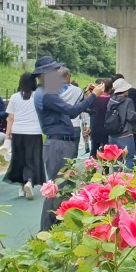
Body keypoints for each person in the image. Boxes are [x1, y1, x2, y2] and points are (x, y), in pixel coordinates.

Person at [33, 56, 97, 231]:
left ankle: (54, 226)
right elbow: (72, 111)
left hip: (59, 144)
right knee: (56, 188)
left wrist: (86, 96)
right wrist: (93, 96)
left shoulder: (46, 93)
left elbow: (70, 111)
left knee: (61, 187)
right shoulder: (46, 95)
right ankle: (46, 230)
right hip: (58, 144)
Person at [5, 72, 45, 200]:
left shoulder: (14, 97)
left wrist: (7, 135)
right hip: (34, 132)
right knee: (32, 158)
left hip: (17, 132)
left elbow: (10, 118)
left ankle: (21, 187)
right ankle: (29, 181)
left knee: (19, 158)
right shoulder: (37, 96)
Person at [106, 78, 136, 169]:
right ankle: (127, 179)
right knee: (130, 157)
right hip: (125, 134)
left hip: (112, 134)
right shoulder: (127, 101)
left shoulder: (111, 100)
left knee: (117, 158)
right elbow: (131, 116)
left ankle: (117, 180)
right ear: (124, 90)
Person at [89, 79, 113, 157]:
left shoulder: (94, 99)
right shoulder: (112, 100)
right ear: (110, 88)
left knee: (94, 149)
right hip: (106, 129)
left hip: (95, 127)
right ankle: (105, 169)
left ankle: (91, 167)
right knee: (106, 151)